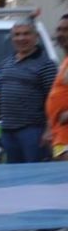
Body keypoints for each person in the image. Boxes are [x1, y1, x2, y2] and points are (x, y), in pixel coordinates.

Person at [0, 19, 57, 164]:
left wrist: (49, 130)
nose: (21, 38)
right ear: (12, 38)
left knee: (35, 173)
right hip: (7, 131)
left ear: (36, 37)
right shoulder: (6, 63)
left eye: (26, 34)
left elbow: (53, 101)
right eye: (17, 35)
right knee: (13, 174)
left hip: (34, 131)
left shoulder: (46, 65)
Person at [46, 13, 68, 162]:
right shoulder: (65, 60)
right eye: (59, 29)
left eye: (66, 30)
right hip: (60, 137)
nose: (60, 34)